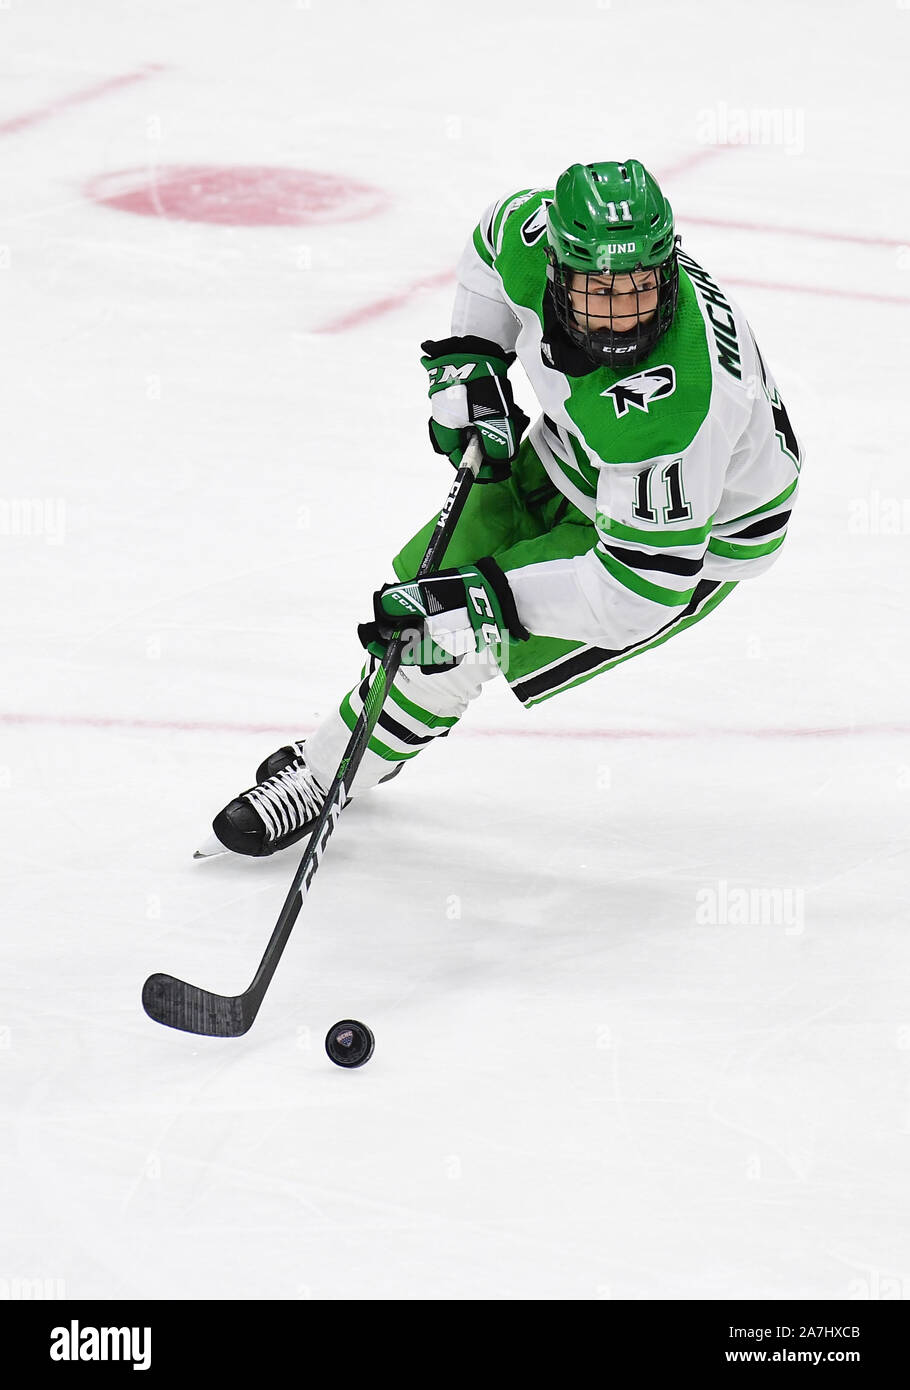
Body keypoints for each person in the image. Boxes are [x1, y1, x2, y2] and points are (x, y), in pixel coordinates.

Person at [201, 158, 802, 858]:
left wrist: (488, 602)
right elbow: (490, 246)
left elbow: (640, 592)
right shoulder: (530, 236)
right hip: (580, 456)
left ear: (663, 270)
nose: (622, 311)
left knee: (455, 635)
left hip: (694, 538)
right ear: (555, 264)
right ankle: (369, 735)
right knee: (431, 595)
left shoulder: (673, 410)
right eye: (598, 288)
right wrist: (472, 357)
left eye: (639, 286)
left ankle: (330, 770)